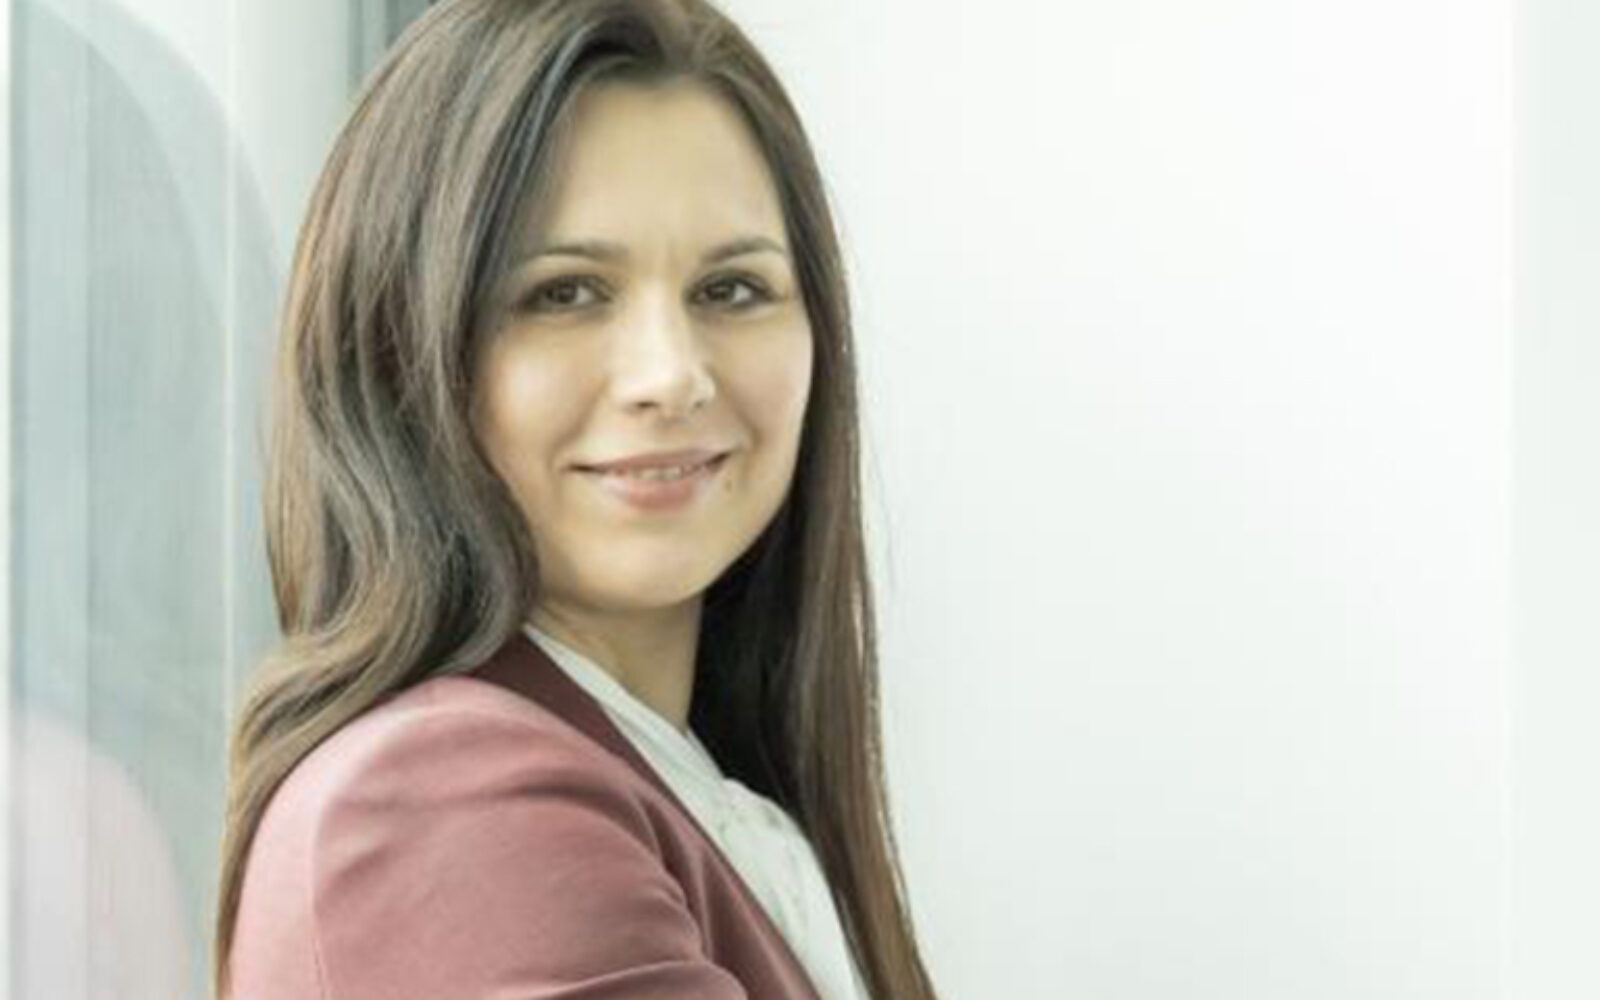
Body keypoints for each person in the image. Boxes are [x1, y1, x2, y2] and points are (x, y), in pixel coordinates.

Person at [213, 1, 940, 998]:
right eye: (565, 293)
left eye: (731, 289)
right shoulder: (450, 804)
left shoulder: (690, 790)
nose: (671, 375)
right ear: (399, 347)